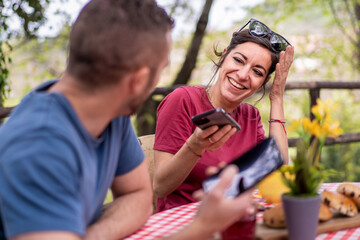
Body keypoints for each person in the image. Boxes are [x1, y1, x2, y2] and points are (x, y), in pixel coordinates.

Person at [0, 0, 255, 239]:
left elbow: (139, 198)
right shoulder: (37, 149)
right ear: (139, 81)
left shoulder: (110, 111)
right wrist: (203, 227)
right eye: (161, 69)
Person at [153, 18, 295, 212]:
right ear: (224, 57)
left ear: (263, 82)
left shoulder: (250, 116)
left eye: (257, 71)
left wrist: (277, 97)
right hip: (183, 225)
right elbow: (161, 187)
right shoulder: (183, 100)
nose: (243, 74)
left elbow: (276, 170)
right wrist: (195, 146)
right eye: (238, 60)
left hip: (230, 219)